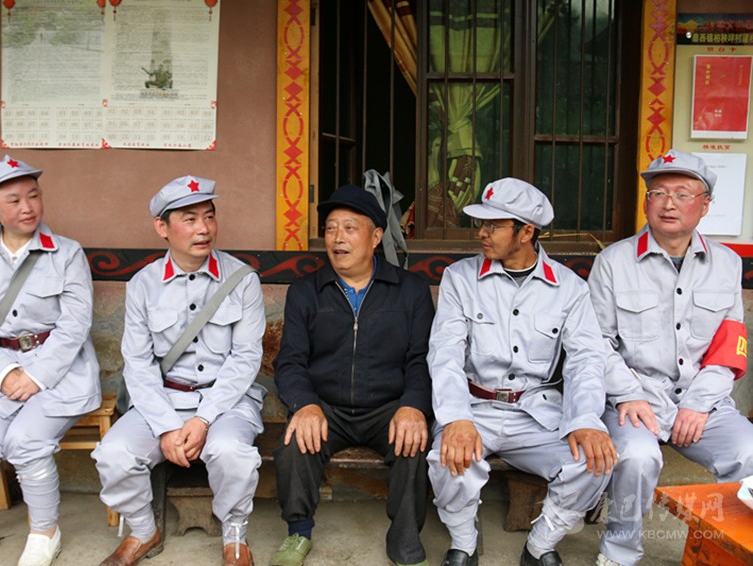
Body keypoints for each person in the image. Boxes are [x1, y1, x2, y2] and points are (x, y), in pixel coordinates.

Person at [427, 177, 617, 566]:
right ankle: (463, 542)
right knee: (448, 459)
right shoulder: (460, 278)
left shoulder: (569, 288)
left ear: (526, 232)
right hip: (474, 406)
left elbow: (585, 359)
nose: (482, 233)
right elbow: (445, 353)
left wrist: (585, 419)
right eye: (481, 223)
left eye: (493, 225)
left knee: (593, 462)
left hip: (535, 412)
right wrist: (456, 417)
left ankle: (540, 545)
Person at [589, 150, 753, 566]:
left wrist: (698, 404)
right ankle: (620, 552)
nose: (669, 203)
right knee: (637, 457)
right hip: (635, 398)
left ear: (705, 204)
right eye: (658, 193)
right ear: (646, 202)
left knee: (749, 452)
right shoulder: (613, 262)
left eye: (682, 193)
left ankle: (726, 548)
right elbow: (596, 343)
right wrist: (628, 394)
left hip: (702, 399)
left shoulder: (727, 263)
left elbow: (729, 344)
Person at [92, 175, 266, 566]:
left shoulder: (242, 280)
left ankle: (235, 536)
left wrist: (203, 419)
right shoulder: (143, 285)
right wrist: (167, 426)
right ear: (162, 227)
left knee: (231, 452)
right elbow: (138, 364)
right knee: (114, 453)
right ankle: (143, 530)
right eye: (190, 219)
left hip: (226, 401)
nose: (204, 228)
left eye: (209, 216)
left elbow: (245, 359)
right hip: (164, 398)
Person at [270, 185, 435, 566]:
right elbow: (290, 361)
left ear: (376, 237)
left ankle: (405, 542)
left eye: (349, 228)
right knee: (294, 445)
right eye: (330, 229)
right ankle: (298, 532)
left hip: (388, 407)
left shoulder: (409, 290)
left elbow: (422, 359)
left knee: (413, 444)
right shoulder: (307, 291)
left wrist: (413, 406)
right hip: (327, 406)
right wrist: (305, 404)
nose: (337, 238)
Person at [0, 155, 102, 566]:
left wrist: (35, 375)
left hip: (60, 371)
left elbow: (75, 325)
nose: (27, 207)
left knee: (26, 441)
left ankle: (44, 532)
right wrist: (5, 373)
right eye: (14, 200)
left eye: (33, 196)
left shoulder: (67, 254)